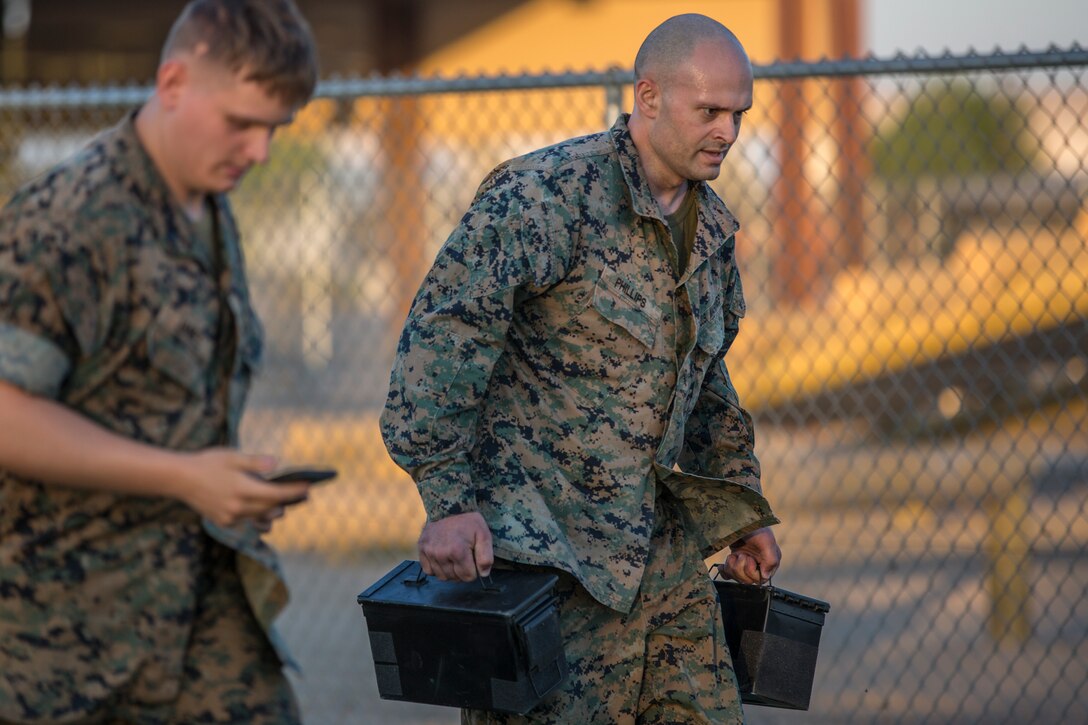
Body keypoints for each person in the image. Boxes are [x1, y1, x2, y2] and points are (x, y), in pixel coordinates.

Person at [380, 12, 783, 725]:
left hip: (666, 573)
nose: (728, 131)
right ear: (649, 96)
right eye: (711, 111)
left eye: (739, 114)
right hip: (550, 568)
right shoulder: (544, 198)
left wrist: (739, 505)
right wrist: (447, 500)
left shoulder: (711, 231)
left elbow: (707, 381)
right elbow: (441, 343)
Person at [0, 1, 318, 722]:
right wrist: (186, 476)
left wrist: (226, 480)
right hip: (65, 630)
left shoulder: (206, 206)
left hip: (198, 600)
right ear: (172, 84)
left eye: (276, 127)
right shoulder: (74, 216)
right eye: (242, 122)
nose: (261, 149)